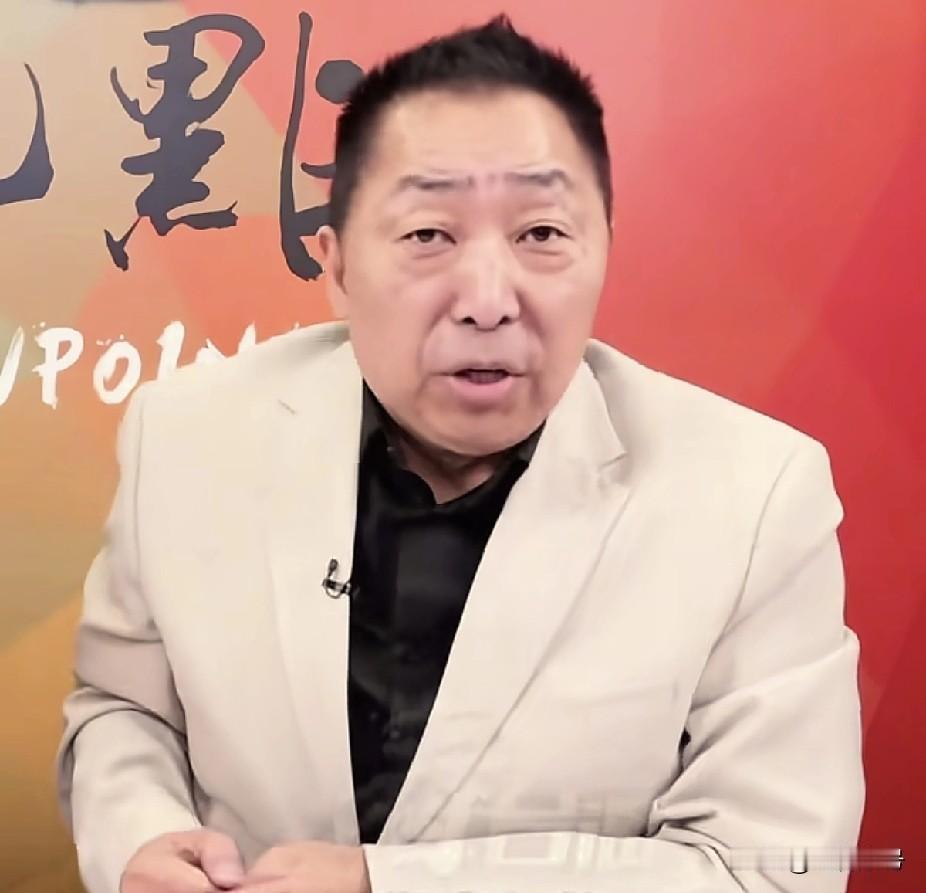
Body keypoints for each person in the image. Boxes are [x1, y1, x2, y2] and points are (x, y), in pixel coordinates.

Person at [57, 14, 864, 893]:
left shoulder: (754, 495)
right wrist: (140, 838)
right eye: (427, 235)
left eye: (541, 234)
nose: (487, 299)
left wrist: (385, 884)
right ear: (335, 265)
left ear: (605, 247)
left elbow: (768, 871)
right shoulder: (188, 435)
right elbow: (124, 709)